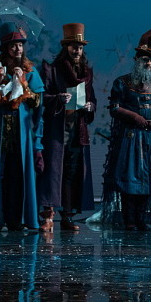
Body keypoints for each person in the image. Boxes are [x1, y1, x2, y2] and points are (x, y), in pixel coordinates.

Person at [0, 22, 45, 231]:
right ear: (5, 48)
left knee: (17, 174)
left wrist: (24, 84)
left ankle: (17, 219)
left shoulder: (30, 72)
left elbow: (38, 106)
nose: (18, 49)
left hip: (21, 133)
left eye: (20, 45)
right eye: (13, 45)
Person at [103, 28, 151, 231]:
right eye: (144, 59)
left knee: (150, 178)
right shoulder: (122, 83)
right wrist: (135, 117)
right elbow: (114, 108)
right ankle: (129, 219)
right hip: (130, 138)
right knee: (129, 178)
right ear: (136, 60)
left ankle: (141, 218)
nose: (148, 63)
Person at [39, 23, 97, 232]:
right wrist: (58, 98)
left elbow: (92, 99)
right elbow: (42, 97)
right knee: (53, 172)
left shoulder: (86, 73)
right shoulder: (53, 70)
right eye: (74, 47)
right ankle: (47, 214)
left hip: (77, 130)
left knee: (72, 172)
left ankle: (67, 215)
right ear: (66, 48)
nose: (77, 51)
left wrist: (90, 106)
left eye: (80, 48)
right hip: (57, 130)